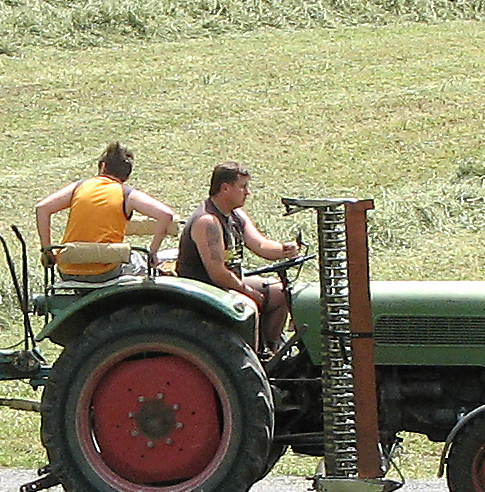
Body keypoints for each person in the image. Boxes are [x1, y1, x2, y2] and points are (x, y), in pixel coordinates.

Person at [174, 163, 303, 352]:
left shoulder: (235, 215)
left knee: (281, 292)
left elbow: (260, 245)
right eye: (243, 187)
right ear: (225, 188)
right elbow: (217, 273)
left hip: (227, 282)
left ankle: (273, 351)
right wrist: (248, 291)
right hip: (204, 288)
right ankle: (250, 361)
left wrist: (285, 249)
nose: (247, 192)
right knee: (247, 307)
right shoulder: (207, 221)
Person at [35, 143, 176, 281]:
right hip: (107, 272)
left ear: (103, 166)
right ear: (126, 176)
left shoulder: (79, 187)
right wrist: (153, 252)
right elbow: (166, 215)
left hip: (68, 270)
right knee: (140, 261)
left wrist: (47, 250)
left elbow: (42, 208)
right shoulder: (127, 194)